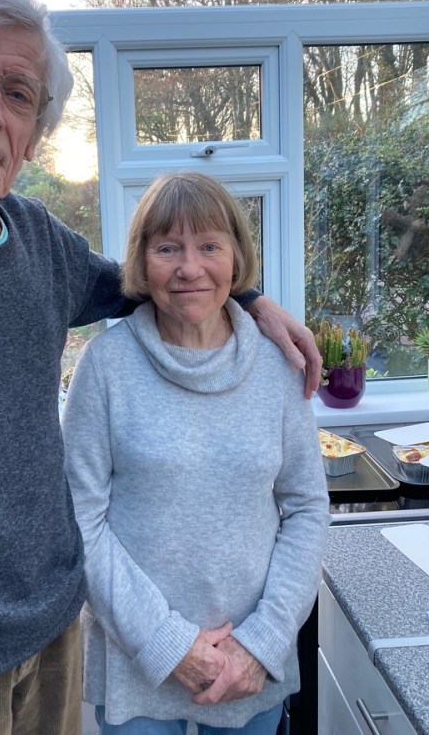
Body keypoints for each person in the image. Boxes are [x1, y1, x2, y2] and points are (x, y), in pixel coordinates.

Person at [0, 0, 320, 735]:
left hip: (52, 644)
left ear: (33, 134)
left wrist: (250, 299)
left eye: (18, 94)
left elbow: (154, 282)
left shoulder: (37, 242)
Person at [63, 172, 331, 735]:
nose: (190, 268)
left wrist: (262, 643)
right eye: (167, 249)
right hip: (137, 665)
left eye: (210, 246)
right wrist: (166, 643)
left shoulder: (276, 367)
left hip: (248, 666)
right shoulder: (106, 367)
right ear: (141, 262)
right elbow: (79, 518)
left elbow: (306, 507)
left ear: (236, 257)